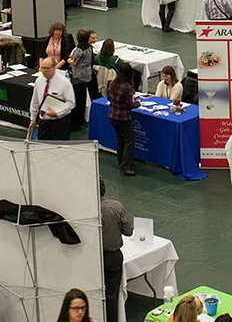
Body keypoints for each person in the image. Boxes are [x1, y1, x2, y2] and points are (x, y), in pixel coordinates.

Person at [97, 176, 134, 322]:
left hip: (91, 256)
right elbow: (128, 231)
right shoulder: (116, 207)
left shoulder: (82, 210)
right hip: (112, 257)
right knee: (111, 294)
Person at [29, 57, 75, 141]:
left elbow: (71, 103)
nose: (43, 71)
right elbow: (35, 101)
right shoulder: (39, 81)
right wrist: (33, 118)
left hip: (60, 123)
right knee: (42, 147)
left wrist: (57, 112)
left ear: (54, 67)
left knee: (58, 149)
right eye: (42, 68)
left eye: (46, 68)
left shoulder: (65, 83)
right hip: (44, 122)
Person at [107, 65, 140, 175]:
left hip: (112, 115)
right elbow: (129, 104)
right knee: (129, 140)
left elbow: (108, 97)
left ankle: (122, 161)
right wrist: (137, 104)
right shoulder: (127, 87)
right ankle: (126, 166)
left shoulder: (112, 83)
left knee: (120, 139)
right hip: (123, 117)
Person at [69, 28, 98, 114]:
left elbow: (74, 62)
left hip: (79, 75)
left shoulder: (79, 50)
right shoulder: (90, 47)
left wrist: (69, 60)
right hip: (88, 73)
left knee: (81, 96)